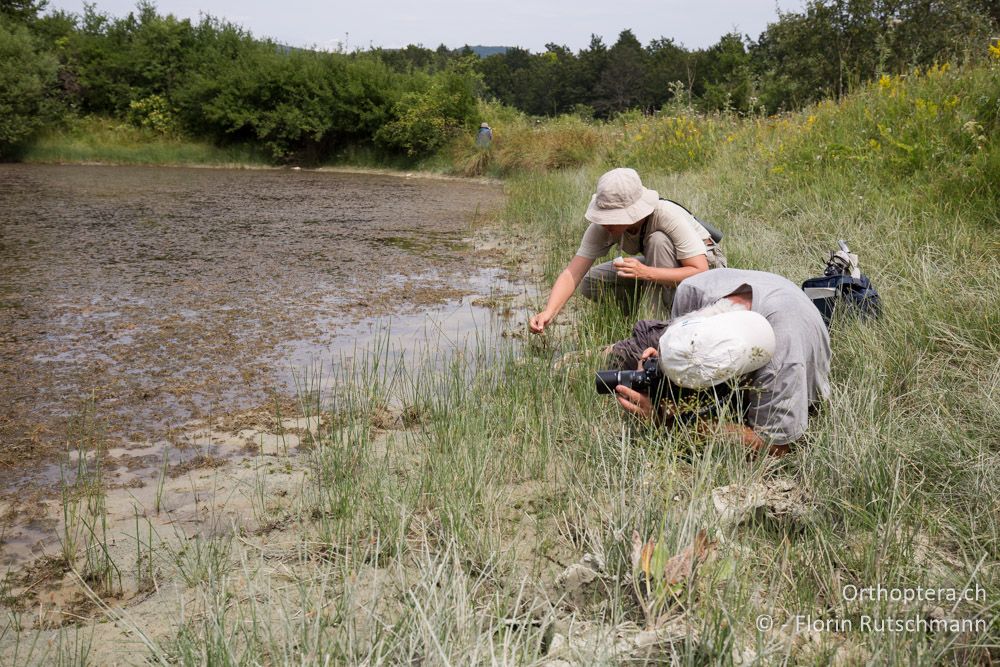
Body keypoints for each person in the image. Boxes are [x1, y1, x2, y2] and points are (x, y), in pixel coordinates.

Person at [612, 268, 831, 456]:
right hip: (765, 303)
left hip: (786, 343)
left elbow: (775, 447)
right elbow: (688, 345)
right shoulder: (693, 290)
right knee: (626, 353)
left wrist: (667, 422)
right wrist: (663, 361)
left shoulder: (781, 362)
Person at [529, 168, 725, 334]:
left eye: (612, 217)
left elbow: (701, 271)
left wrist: (647, 273)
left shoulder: (665, 215)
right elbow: (573, 273)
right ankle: (642, 312)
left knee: (658, 241)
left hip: (705, 271)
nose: (605, 222)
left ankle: (655, 330)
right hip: (659, 265)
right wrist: (549, 312)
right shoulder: (603, 227)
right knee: (592, 282)